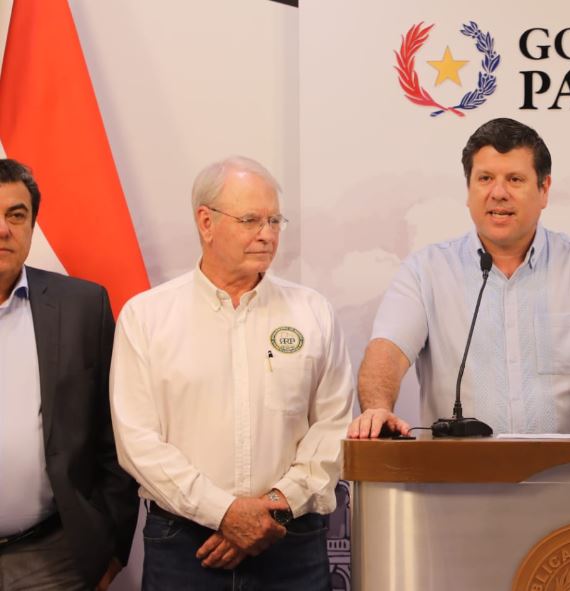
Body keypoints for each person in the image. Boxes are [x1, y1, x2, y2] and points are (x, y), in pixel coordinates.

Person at [110, 156, 353, 589]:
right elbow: (138, 443)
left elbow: (333, 427)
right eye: (250, 220)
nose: (267, 234)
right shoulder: (146, 317)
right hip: (185, 545)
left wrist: (272, 508)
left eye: (275, 220)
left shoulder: (312, 311)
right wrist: (224, 512)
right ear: (206, 222)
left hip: (291, 541)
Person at [348, 117, 570, 438]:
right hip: (453, 482)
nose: (498, 193)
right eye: (485, 178)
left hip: (567, 479)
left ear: (544, 190)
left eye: (515, 179)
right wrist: (378, 407)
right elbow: (386, 352)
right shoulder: (425, 270)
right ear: (469, 190)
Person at [0, 159, 138, 590]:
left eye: (16, 215)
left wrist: (110, 550)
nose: (3, 229)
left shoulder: (82, 307)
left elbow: (116, 438)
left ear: (33, 225)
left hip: (51, 559)